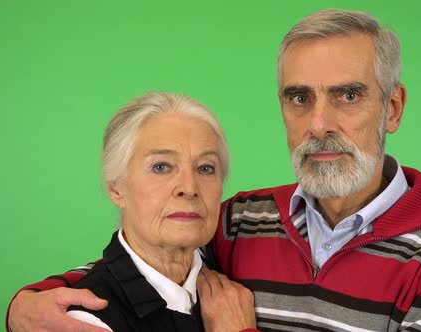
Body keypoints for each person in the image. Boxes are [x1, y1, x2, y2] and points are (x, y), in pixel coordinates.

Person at [7, 9, 421, 332]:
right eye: (299, 98)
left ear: (392, 107)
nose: (319, 124)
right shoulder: (242, 219)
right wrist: (27, 306)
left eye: (348, 95)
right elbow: (151, 256)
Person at [15, 91, 256, 331]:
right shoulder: (84, 320)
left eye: (205, 168)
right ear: (116, 189)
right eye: (161, 167)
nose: (189, 188)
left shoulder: (234, 283)